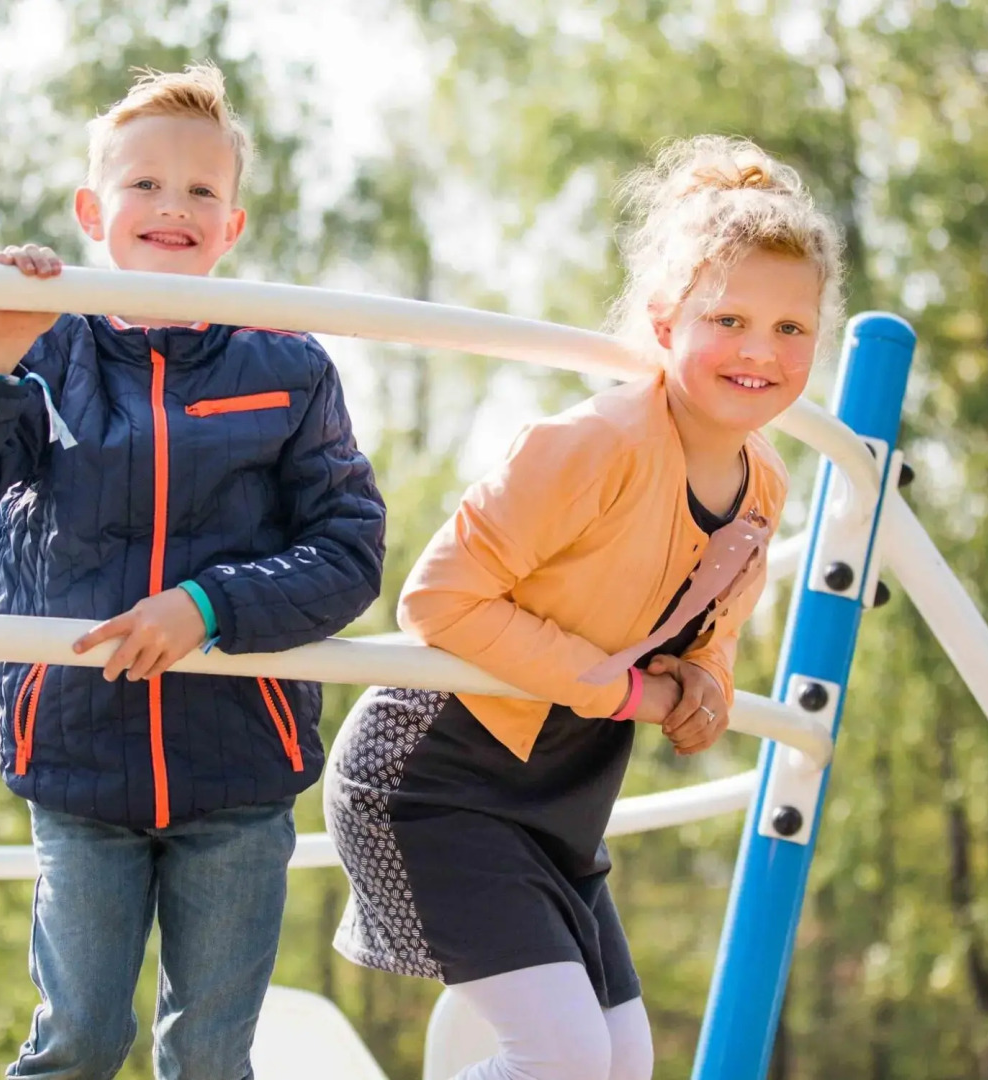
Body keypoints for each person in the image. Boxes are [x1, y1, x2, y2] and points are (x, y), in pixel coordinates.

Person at [0, 63, 385, 1080]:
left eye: (202, 190)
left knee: (209, 1056)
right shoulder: (47, 352)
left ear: (231, 225)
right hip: (79, 761)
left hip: (238, 768)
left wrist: (210, 606)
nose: (172, 207)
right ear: (91, 210)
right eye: (145, 184)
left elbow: (350, 551)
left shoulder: (285, 365)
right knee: (78, 1041)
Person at [324, 135, 844, 1080]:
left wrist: (701, 687)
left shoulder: (763, 486)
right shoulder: (596, 444)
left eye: (791, 329)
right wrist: (613, 691)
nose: (760, 352)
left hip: (557, 799)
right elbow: (437, 597)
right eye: (728, 319)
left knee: (619, 1061)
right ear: (664, 320)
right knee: (560, 1055)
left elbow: (709, 639)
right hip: (435, 774)